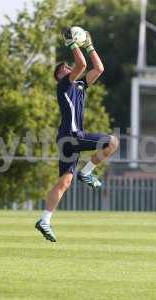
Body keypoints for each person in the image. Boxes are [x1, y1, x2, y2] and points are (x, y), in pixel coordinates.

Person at [35, 28, 119, 242]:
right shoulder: (63, 85)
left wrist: (89, 45)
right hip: (72, 136)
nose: (69, 68)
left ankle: (45, 219)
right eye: (64, 69)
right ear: (59, 77)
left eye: (67, 67)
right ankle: (87, 172)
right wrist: (72, 43)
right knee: (112, 142)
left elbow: (98, 68)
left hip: (66, 138)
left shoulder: (80, 86)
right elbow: (82, 65)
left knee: (64, 182)